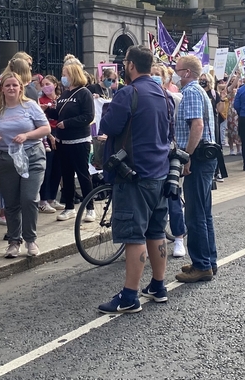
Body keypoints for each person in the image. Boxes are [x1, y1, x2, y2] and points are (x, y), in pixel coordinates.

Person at [97, 45, 173, 314]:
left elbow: (107, 126)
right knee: (155, 230)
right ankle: (158, 286)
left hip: (133, 175)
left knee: (134, 235)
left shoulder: (128, 93)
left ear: (130, 65)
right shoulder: (164, 95)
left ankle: (129, 296)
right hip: (160, 173)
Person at [0, 72, 51, 258]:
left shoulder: (30, 106)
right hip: (5, 158)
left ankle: (30, 239)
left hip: (32, 156)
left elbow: (46, 128)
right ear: (1, 89)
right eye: (7, 85)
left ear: (21, 87)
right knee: (10, 202)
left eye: (14, 85)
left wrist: (27, 136)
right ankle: (13, 241)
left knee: (29, 198)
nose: (11, 88)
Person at [171, 56, 219, 283]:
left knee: (195, 214)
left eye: (177, 69)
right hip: (205, 157)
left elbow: (197, 125)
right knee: (204, 212)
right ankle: (208, 260)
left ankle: (201, 266)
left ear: (187, 72)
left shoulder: (190, 92)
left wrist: (186, 156)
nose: (174, 73)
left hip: (197, 158)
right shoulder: (199, 90)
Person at [46, 56, 96, 222]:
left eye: (65, 74)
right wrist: (48, 111)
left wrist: (67, 123)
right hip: (63, 141)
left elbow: (88, 116)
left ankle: (90, 208)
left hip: (79, 140)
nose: (63, 77)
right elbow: (59, 113)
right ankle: (69, 207)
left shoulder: (84, 93)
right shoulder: (65, 94)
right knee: (66, 175)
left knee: (83, 174)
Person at [38, 75, 63, 212]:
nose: (45, 86)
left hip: (59, 133)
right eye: (43, 84)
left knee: (57, 168)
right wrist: (50, 136)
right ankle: (43, 200)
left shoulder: (60, 100)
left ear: (55, 84)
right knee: (47, 168)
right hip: (47, 135)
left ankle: (52, 198)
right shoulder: (40, 101)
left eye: (48, 83)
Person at [225, 73, 242, 156]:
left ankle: (239, 148)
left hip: (238, 111)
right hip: (231, 111)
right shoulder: (228, 89)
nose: (234, 82)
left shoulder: (239, 89)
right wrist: (237, 77)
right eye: (232, 80)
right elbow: (232, 87)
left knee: (238, 130)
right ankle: (232, 148)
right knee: (232, 129)